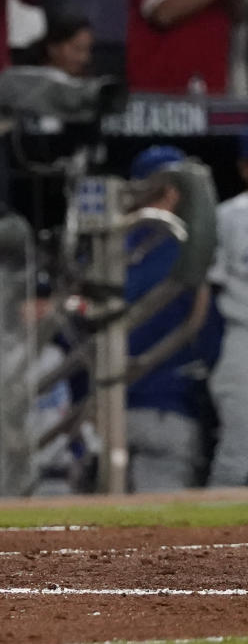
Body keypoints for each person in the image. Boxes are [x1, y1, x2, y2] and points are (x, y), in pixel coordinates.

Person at [125, 147, 222, 492]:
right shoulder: (188, 249)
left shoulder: (105, 246)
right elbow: (211, 339)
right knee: (160, 527)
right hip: (168, 409)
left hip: (100, 415)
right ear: (173, 191)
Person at [208, 134, 248, 486]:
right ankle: (214, 540)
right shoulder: (229, 216)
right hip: (243, 338)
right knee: (238, 454)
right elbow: (208, 287)